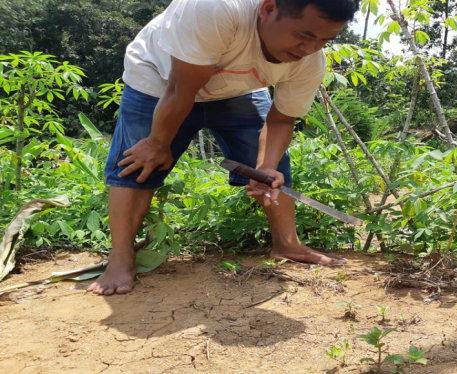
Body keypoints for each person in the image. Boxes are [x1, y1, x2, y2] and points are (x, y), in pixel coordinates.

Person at [87, 0, 360, 296]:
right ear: (268, 9)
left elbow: (281, 120)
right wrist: (156, 142)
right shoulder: (214, 9)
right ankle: (121, 258)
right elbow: (180, 91)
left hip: (238, 89)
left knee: (274, 169)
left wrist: (265, 167)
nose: (310, 48)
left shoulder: (310, 60)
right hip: (160, 81)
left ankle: (287, 244)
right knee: (138, 163)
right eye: (304, 36)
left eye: (324, 40)